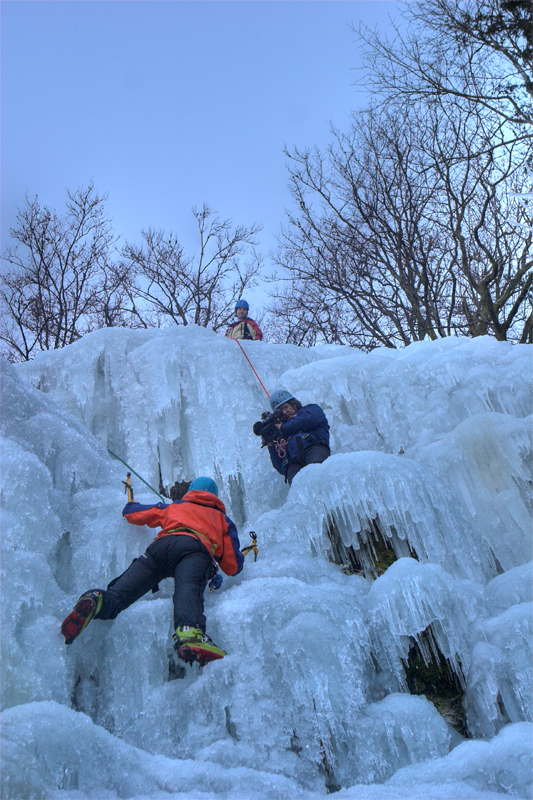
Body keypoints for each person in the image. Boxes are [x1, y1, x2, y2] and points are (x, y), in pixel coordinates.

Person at [61, 477, 244, 666]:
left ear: (191, 491)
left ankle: (97, 601)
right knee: (188, 587)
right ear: (215, 497)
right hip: (194, 550)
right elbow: (233, 566)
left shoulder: (174, 507)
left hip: (161, 549)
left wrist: (130, 505)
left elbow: (134, 513)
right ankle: (189, 632)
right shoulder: (222, 519)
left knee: (119, 595)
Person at [264, 389, 330, 486]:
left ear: (294, 404)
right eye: (280, 411)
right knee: (298, 489)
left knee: (318, 475)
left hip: (313, 449)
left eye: (285, 407)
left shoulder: (311, 410)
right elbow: (280, 467)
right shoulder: (281, 435)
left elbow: (309, 420)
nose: (284, 412)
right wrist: (270, 443)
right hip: (292, 463)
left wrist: (282, 428)